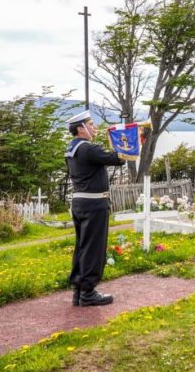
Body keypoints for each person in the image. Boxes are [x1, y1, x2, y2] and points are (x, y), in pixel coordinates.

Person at [65, 110, 126, 307]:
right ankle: (88, 293)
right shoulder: (87, 148)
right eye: (90, 124)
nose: (94, 127)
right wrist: (124, 138)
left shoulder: (72, 148)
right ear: (81, 128)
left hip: (80, 203)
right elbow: (119, 158)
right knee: (94, 249)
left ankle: (79, 290)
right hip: (94, 204)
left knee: (82, 247)